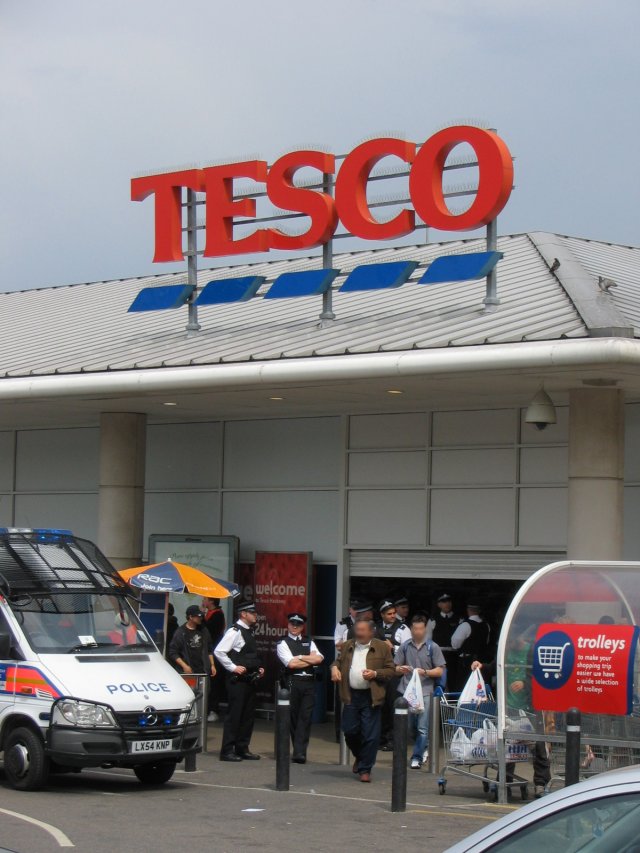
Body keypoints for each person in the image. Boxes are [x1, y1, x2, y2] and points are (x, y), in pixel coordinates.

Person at [330, 618, 395, 783]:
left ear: (371, 631)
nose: (358, 633)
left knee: (371, 736)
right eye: (357, 630)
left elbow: (390, 671)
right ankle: (360, 756)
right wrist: (334, 668)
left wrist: (374, 674)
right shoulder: (348, 646)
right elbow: (337, 661)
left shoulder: (382, 647)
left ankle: (365, 769)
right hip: (351, 695)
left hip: (371, 696)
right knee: (349, 731)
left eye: (362, 630)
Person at [214, 600, 264, 762]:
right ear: (243, 614)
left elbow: (248, 655)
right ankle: (227, 750)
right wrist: (233, 667)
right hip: (237, 680)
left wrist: (258, 669)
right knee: (235, 715)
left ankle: (242, 748)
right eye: (252, 613)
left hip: (249, 679)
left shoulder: (249, 631)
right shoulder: (235, 631)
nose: (255, 615)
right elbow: (219, 651)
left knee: (247, 716)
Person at [395, 614, 446, 769]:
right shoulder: (405, 646)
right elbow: (394, 667)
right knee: (410, 727)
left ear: (425, 630)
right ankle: (424, 747)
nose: (418, 631)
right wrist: (400, 669)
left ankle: (417, 757)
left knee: (423, 728)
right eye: (415, 628)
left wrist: (425, 672)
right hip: (408, 691)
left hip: (425, 691)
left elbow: (440, 670)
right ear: (411, 629)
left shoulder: (433, 647)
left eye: (420, 628)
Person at [276, 612, 324, 764]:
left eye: (298, 624)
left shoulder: (309, 641)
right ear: (288, 624)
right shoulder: (282, 643)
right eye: (292, 623)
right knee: (294, 717)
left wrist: (301, 657)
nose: (295, 627)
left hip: (309, 682)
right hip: (293, 681)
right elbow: (290, 664)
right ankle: (296, 749)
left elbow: (319, 659)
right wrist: (309, 659)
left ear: (303, 626)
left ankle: (300, 752)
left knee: (306, 717)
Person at [378, 599, 411, 750]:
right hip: (379, 673)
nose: (392, 616)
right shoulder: (376, 628)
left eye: (394, 613)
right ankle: (380, 738)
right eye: (389, 614)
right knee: (380, 706)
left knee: (394, 706)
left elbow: (408, 652)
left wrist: (392, 647)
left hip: (394, 674)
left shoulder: (403, 629)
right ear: (382, 615)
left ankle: (392, 739)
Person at [169, 605, 216, 681]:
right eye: (198, 616)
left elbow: (209, 650)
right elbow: (173, 652)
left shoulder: (204, 630)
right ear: (191, 617)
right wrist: (184, 666)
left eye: (201, 616)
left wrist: (212, 665)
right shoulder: (181, 632)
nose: (201, 618)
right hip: (188, 671)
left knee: (204, 692)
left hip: (203, 672)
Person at [427, 593, 461, 692]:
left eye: (449, 601)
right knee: (439, 682)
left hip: (453, 654)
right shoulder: (433, 620)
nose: (447, 604)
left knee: (453, 681)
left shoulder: (459, 619)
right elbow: (428, 639)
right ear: (439, 605)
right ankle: (438, 704)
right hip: (439, 654)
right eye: (443, 602)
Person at [202, 596, 226, 722]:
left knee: (214, 680)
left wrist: (202, 615)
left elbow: (211, 630)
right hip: (207, 651)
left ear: (211, 601)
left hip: (215, 651)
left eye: (205, 599)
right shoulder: (209, 613)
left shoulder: (217, 615)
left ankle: (214, 709)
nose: (203, 601)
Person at [451, 604, 491, 671]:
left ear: (468, 610)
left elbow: (455, 645)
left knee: (463, 681)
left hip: (467, 662)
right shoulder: (486, 625)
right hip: (481, 661)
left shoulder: (465, 625)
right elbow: (487, 642)